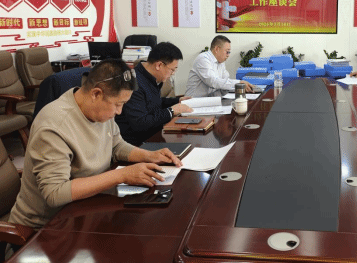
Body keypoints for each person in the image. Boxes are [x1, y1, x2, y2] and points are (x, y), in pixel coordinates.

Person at [9, 59, 182, 229]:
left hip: (86, 208)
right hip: (45, 228)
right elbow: (55, 193)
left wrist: (149, 155)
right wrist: (121, 175)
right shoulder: (54, 126)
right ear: (96, 94)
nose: (119, 111)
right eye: (118, 104)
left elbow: (116, 145)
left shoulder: (98, 110)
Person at [116, 42, 192, 146]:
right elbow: (140, 123)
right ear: (159, 65)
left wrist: (178, 100)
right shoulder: (134, 83)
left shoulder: (149, 77)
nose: (172, 74)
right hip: (138, 144)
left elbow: (154, 102)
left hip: (155, 135)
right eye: (172, 70)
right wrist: (171, 111)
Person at [186, 35, 253, 97]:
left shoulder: (220, 62)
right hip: (194, 101)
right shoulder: (203, 59)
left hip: (211, 100)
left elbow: (225, 83)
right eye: (227, 52)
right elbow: (213, 81)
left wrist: (240, 88)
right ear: (217, 49)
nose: (228, 55)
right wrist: (238, 83)